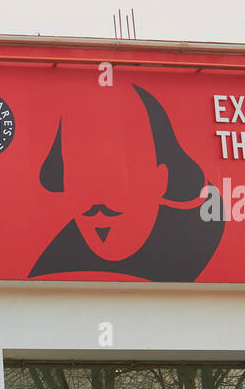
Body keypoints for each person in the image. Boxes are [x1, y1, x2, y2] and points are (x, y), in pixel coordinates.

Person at [29, 84, 224, 282]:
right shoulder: (54, 268)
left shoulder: (201, 232)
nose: (97, 203)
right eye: (81, 178)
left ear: (161, 180)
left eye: (115, 178)